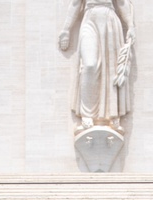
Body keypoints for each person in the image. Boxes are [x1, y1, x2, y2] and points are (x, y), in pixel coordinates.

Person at [58, 0, 136, 131]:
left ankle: (112, 114)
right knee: (89, 65)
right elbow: (75, 4)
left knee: (111, 68)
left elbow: (122, 3)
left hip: (109, 20)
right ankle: (87, 114)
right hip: (89, 19)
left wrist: (130, 26)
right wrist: (66, 29)